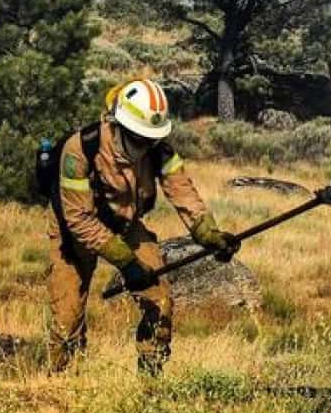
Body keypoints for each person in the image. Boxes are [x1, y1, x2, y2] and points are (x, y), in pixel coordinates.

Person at [48, 78, 239, 375]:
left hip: (126, 224)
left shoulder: (158, 149)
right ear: (118, 126)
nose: (145, 146)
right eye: (139, 138)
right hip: (75, 231)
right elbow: (78, 219)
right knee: (67, 316)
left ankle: (150, 383)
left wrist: (209, 235)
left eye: (150, 139)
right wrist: (127, 263)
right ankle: (60, 385)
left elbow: (183, 192)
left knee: (160, 302)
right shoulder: (79, 149)